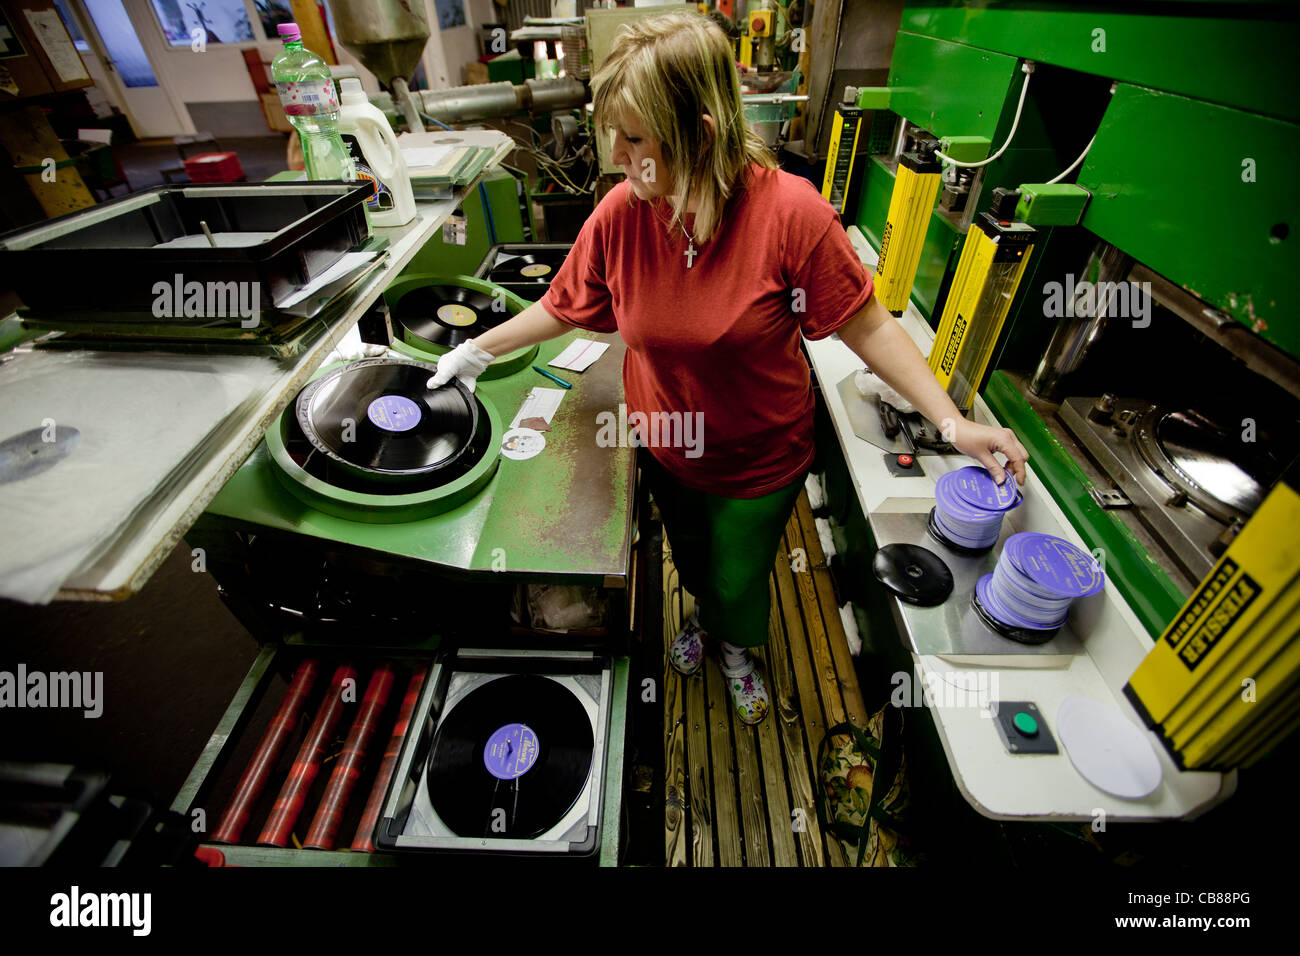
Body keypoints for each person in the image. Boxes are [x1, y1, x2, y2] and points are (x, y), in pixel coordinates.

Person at [429, 11, 1029, 725]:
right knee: (689, 559)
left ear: (700, 133)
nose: (616, 154)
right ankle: (706, 622)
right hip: (664, 446)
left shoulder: (790, 217)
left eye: (636, 138)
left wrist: (951, 421)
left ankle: (739, 646)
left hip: (759, 458)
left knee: (740, 574)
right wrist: (475, 349)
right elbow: (564, 306)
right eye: (611, 132)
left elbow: (868, 323)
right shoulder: (622, 215)